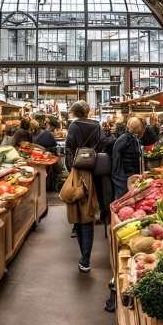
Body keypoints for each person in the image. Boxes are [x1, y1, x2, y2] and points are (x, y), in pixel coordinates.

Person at [63, 100, 103, 273]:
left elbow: (68, 149)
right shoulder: (97, 125)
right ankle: (85, 257)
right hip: (94, 172)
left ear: (75, 112)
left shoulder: (73, 126)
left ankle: (85, 258)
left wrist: (70, 168)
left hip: (78, 171)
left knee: (79, 214)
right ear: (87, 111)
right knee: (88, 214)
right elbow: (101, 146)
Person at [111, 117, 145, 199]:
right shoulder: (127, 139)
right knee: (124, 200)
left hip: (124, 176)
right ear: (138, 128)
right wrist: (131, 175)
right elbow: (127, 159)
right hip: (123, 177)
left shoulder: (129, 137)